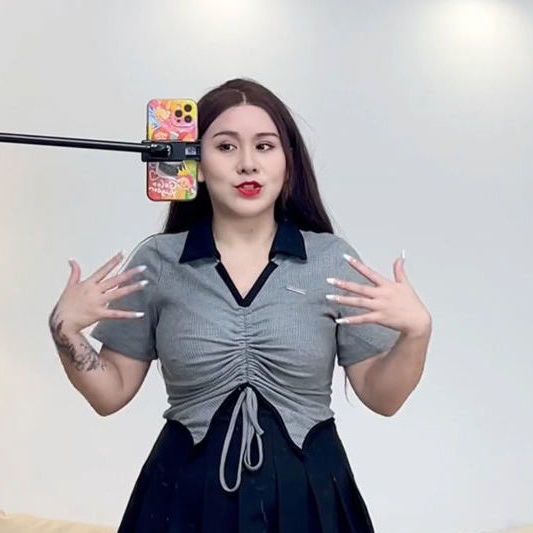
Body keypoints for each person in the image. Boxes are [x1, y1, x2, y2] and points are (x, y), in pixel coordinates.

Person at [48, 78, 432, 532]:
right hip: (182, 501)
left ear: (288, 164)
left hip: (310, 499)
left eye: (265, 146)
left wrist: (417, 332)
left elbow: (383, 398)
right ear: (197, 164)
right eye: (225, 146)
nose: (247, 163)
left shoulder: (331, 260)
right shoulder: (158, 261)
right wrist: (65, 332)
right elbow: (110, 394)